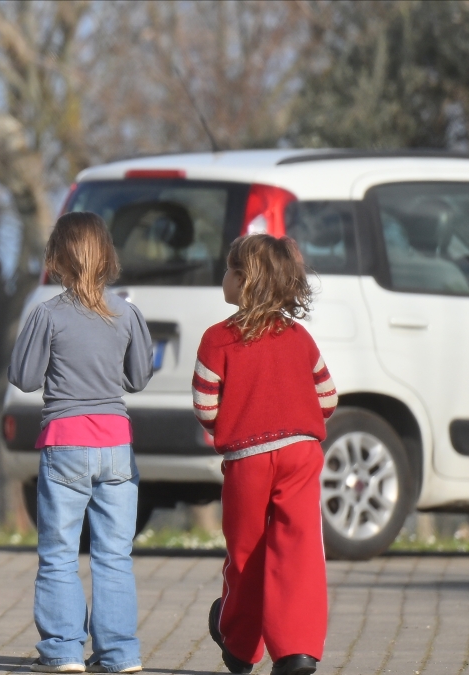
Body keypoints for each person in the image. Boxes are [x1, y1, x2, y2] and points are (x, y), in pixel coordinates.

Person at [9, 212, 155, 674]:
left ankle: (63, 651)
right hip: (116, 446)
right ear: (108, 257)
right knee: (115, 555)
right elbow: (137, 378)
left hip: (65, 445)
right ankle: (119, 655)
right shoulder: (127, 312)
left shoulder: (48, 314)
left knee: (59, 554)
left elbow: (24, 377)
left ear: (56, 260)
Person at [192, 234, 337, 675]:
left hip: (248, 460)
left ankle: (239, 644)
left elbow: (205, 407)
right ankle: (298, 651)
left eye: (228, 270)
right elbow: (327, 399)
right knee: (300, 551)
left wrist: (235, 424)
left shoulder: (218, 339)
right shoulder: (300, 337)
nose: (223, 277)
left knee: (247, 552)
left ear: (243, 281)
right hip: (302, 454)